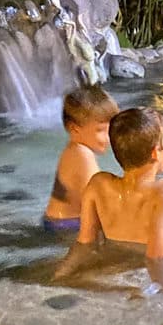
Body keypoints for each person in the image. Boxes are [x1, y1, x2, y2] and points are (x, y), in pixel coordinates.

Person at [53, 106, 163, 291]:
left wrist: (63, 272)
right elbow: (157, 255)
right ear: (155, 152)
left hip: (123, 250)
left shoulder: (98, 183)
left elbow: (85, 242)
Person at [43, 85, 119, 232]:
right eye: (100, 130)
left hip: (57, 223)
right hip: (66, 228)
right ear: (75, 129)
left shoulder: (74, 150)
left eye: (111, 129)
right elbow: (101, 204)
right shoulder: (82, 155)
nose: (109, 137)